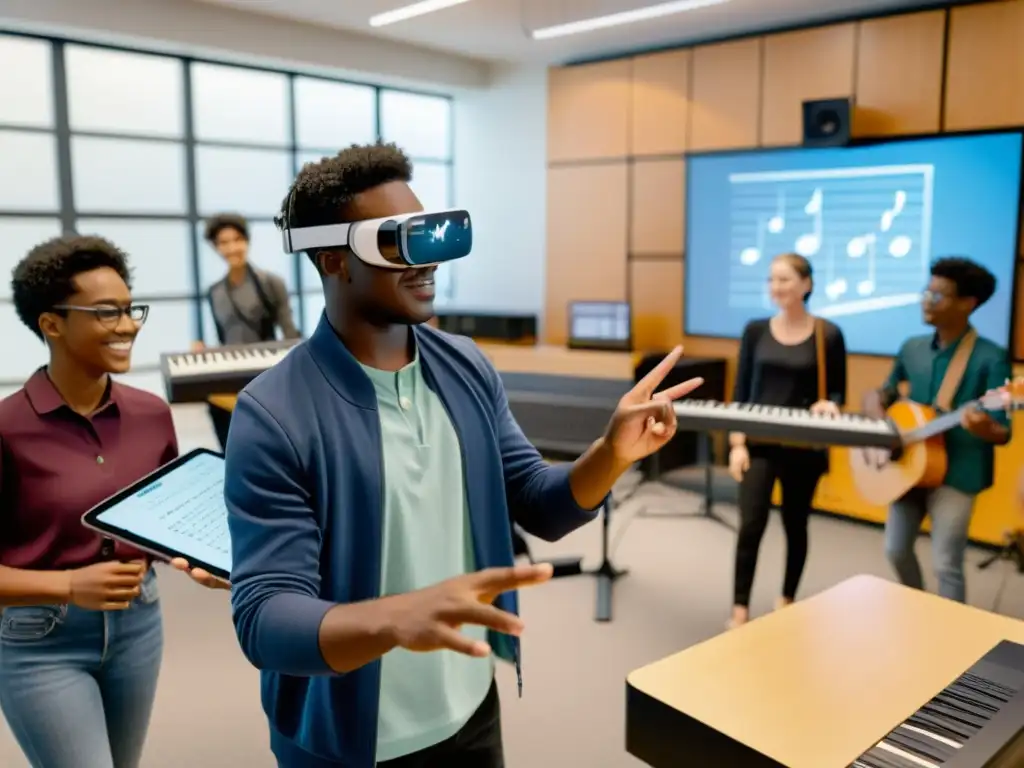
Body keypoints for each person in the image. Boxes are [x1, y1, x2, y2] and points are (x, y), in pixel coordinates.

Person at [223, 142, 703, 767]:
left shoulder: (465, 366)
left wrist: (611, 454)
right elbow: (265, 617)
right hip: (350, 740)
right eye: (400, 242)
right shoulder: (275, 413)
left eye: (434, 236)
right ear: (333, 256)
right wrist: (394, 617)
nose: (429, 262)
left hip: (471, 709)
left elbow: (540, 503)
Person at [0, 235, 226, 768]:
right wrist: (68, 584)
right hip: (40, 641)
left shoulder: (151, 414)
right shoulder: (7, 429)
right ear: (51, 323)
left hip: (138, 626)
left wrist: (210, 557)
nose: (129, 326)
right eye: (107, 313)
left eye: (130, 310)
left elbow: (166, 519)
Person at [865, 257, 1010, 604]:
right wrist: (875, 409)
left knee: (947, 563)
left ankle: (953, 638)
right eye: (926, 292)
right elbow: (883, 393)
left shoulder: (991, 357)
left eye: (938, 296)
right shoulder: (911, 347)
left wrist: (982, 425)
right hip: (909, 467)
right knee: (895, 550)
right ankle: (920, 608)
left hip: (958, 474)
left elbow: (1003, 432)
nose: (926, 301)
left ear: (967, 304)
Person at [727, 252, 847, 629]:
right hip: (759, 444)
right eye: (772, 280)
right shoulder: (755, 330)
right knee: (750, 525)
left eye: (785, 279)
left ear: (806, 285)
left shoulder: (828, 333)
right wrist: (737, 444)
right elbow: (741, 391)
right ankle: (739, 610)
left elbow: (838, 393)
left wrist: (832, 404)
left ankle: (787, 599)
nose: (776, 287)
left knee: (796, 525)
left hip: (803, 449)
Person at [196, 213, 301, 449]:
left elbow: (290, 334)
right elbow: (225, 340)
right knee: (230, 449)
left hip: (267, 377)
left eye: (237, 239)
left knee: (271, 449)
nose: (232, 247)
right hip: (229, 382)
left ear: (247, 241)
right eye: (223, 242)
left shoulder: (271, 283)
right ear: (215, 247)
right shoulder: (214, 292)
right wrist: (204, 352)